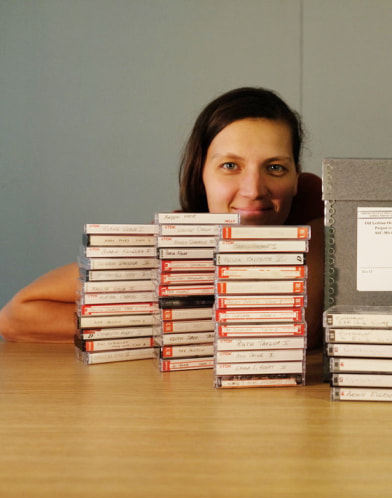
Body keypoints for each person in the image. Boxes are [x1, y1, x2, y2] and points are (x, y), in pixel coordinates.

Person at [0, 87, 324, 349]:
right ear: (201, 176)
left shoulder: (319, 210)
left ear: (296, 176)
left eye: (275, 167)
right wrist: (170, 322)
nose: (254, 189)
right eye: (230, 166)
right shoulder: (176, 237)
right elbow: (17, 316)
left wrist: (181, 317)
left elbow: (299, 324)